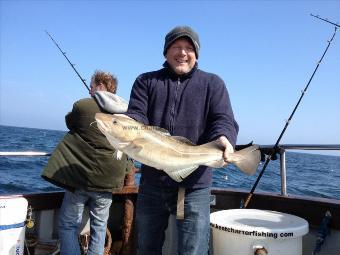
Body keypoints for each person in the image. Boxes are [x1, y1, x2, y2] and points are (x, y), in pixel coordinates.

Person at [126, 26, 239, 254]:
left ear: (196, 54)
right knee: (146, 247)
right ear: (166, 51)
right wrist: (123, 123)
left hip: (194, 185)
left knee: (193, 251)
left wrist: (224, 137)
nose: (183, 53)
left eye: (189, 48)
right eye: (176, 47)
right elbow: (136, 114)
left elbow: (223, 118)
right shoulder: (145, 81)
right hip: (152, 182)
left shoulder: (213, 83)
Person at [42, 70, 133, 255]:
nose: (90, 90)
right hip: (108, 182)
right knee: (99, 227)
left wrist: (90, 101)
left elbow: (70, 122)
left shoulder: (83, 106)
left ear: (100, 87)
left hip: (81, 179)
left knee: (68, 225)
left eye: (92, 87)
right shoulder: (126, 114)